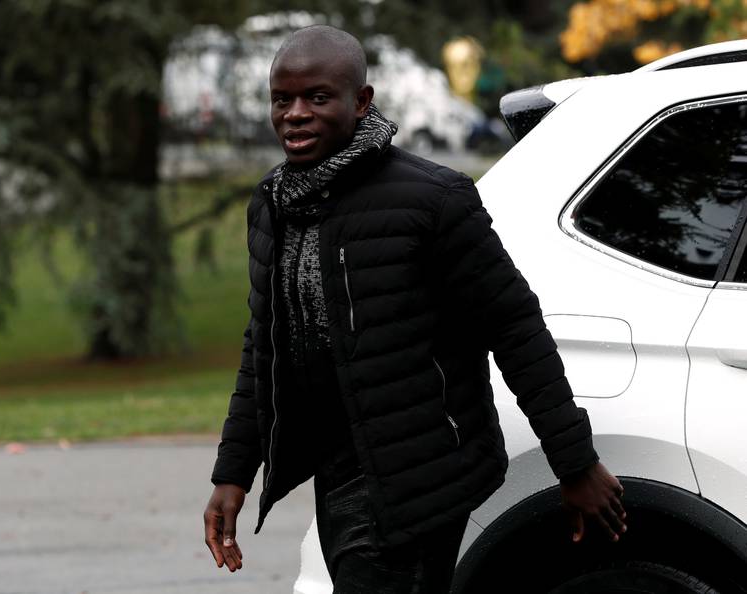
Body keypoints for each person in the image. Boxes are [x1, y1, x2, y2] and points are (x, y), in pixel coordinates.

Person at [203, 25, 627, 592]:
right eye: (283, 99)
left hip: (421, 476)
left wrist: (573, 462)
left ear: (361, 102)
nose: (295, 114)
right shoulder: (273, 203)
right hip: (339, 472)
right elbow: (266, 345)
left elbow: (515, 327)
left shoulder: (431, 198)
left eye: (317, 98)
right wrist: (233, 474)